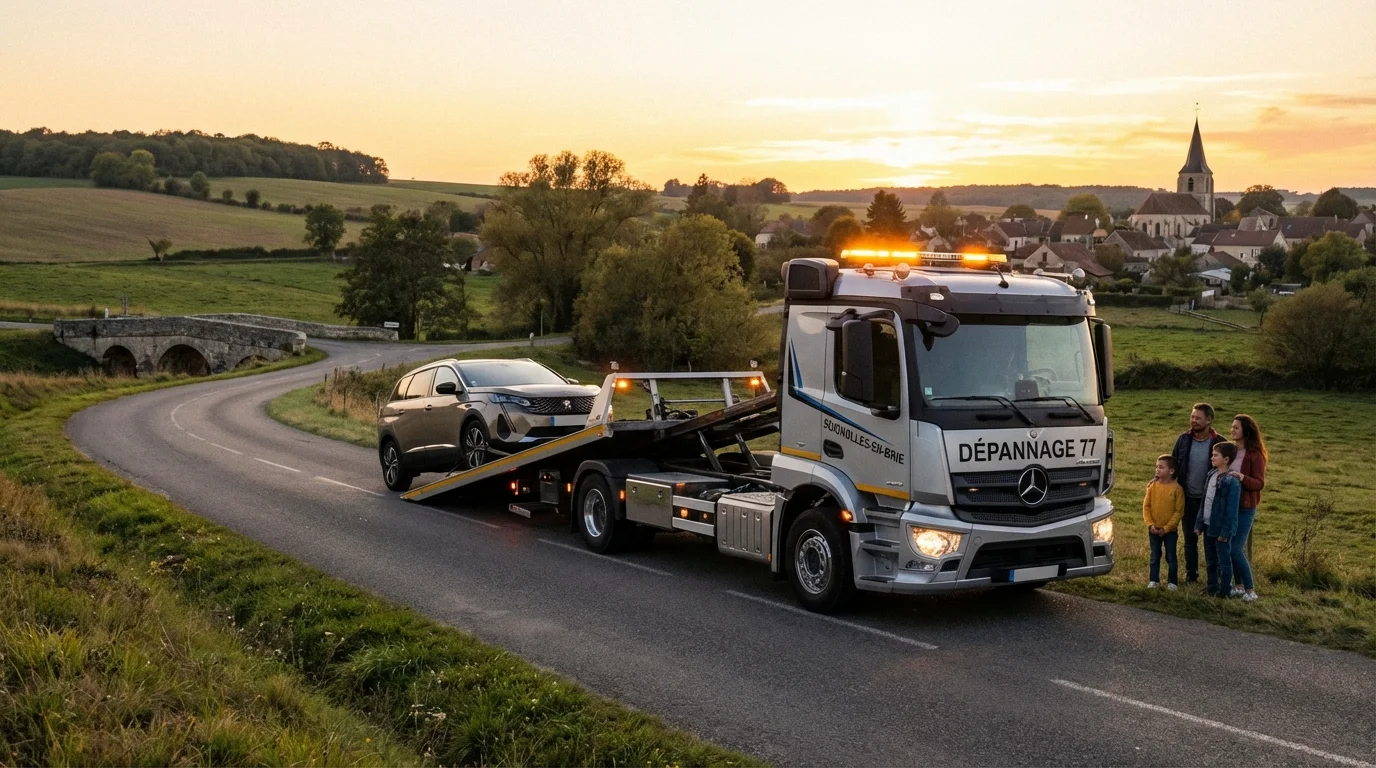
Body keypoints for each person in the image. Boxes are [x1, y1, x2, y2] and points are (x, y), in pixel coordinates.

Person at [1170, 403, 1228, 585]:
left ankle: (1216, 578)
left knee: (1211, 541)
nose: (1193, 421)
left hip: (1211, 501)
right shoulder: (1183, 440)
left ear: (1209, 420)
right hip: (1188, 499)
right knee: (1190, 541)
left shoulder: (1220, 442)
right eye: (1192, 417)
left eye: (1198, 418)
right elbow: (1174, 465)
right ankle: (1191, 575)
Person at [1227, 414, 1268, 602]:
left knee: (1236, 548)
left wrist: (1242, 477)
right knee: (1230, 547)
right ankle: (1238, 586)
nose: (1232, 430)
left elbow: (1259, 483)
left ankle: (1251, 590)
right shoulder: (1232, 451)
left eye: (1236, 427)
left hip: (1245, 507)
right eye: (1232, 427)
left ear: (1246, 431)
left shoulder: (1255, 454)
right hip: (1230, 506)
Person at [1196, 442, 1241, 598]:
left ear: (1226, 459)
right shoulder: (1211, 475)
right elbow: (1204, 500)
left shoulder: (1231, 481)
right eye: (1212, 454)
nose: (1212, 458)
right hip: (1208, 524)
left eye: (1216, 455)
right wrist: (1199, 523)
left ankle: (1224, 590)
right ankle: (1212, 586)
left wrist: (1226, 531)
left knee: (1223, 560)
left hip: (1221, 527)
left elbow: (1231, 509)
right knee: (1210, 559)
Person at [1142, 454, 1185, 589]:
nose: (1157, 470)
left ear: (1171, 471)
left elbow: (1178, 511)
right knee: (1155, 555)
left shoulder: (1177, 489)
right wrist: (1150, 525)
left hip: (1170, 531)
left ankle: (1172, 582)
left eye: (1161, 467)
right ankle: (1154, 580)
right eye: (1157, 467)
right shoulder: (1152, 486)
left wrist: (1166, 528)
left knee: (1171, 556)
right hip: (1154, 529)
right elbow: (1146, 506)